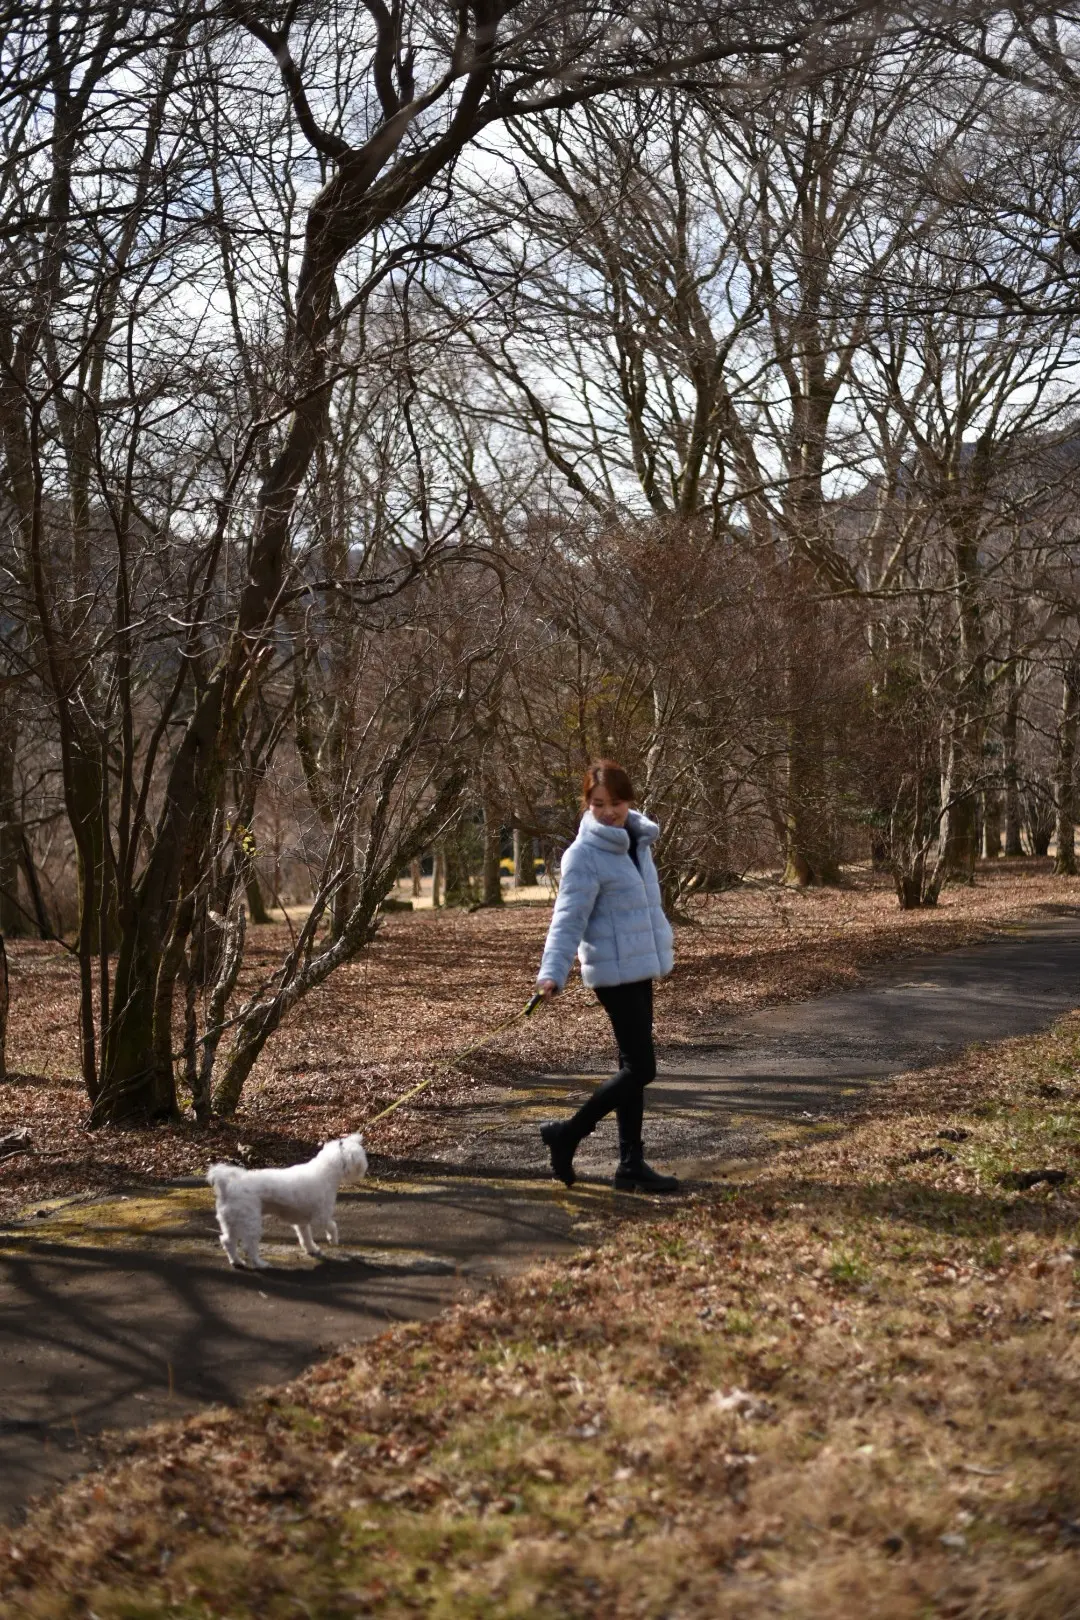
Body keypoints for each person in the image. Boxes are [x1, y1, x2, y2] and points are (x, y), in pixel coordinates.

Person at [535, 759, 678, 1193]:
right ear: (587, 803)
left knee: (629, 1067)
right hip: (612, 973)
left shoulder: (638, 840)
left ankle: (631, 1164)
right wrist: (552, 972)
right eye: (599, 803)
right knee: (641, 1068)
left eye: (616, 802)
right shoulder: (583, 855)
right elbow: (567, 919)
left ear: (629, 800)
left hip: (640, 966)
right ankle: (568, 1134)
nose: (609, 811)